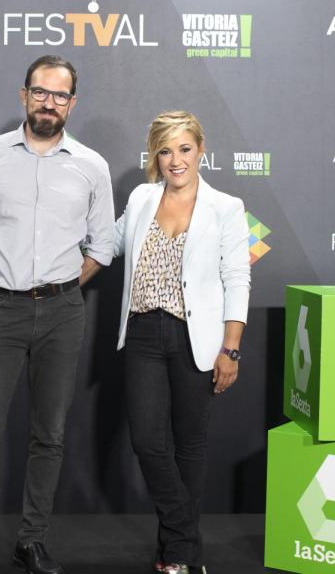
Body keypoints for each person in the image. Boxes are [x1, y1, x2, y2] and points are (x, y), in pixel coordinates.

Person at [0, 55, 115, 574]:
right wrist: (0, 282)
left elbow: (102, 245)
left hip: (64, 311)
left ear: (72, 103)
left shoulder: (92, 165)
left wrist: (60, 286)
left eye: (59, 95)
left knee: (51, 434)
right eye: (40, 92)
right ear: (23, 95)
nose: (49, 102)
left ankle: (32, 540)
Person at [113, 111, 250, 574]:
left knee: (190, 445)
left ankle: (174, 556)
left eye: (184, 149)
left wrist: (230, 348)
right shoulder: (140, 198)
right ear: (155, 154)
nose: (175, 160)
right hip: (144, 333)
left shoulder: (225, 207)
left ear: (201, 149)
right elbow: (107, 243)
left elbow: (237, 278)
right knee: (148, 442)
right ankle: (187, 542)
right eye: (166, 150)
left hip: (198, 336)